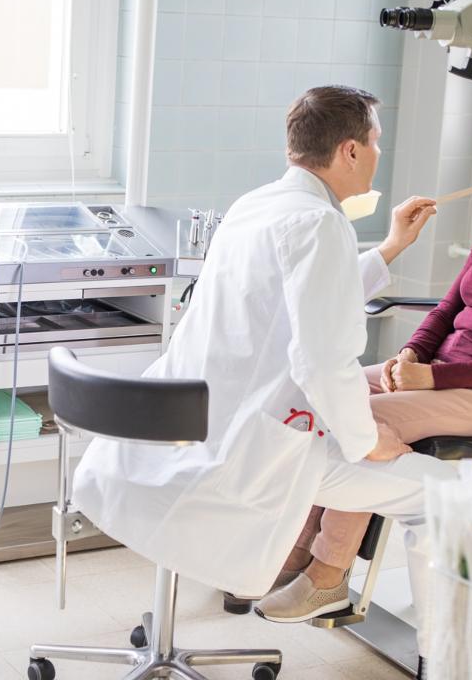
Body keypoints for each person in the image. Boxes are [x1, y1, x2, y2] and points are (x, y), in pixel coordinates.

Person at [71, 86, 450, 613]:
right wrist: (367, 440)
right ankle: (441, 649)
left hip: (188, 432)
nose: (378, 153)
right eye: (375, 141)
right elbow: (321, 361)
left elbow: (291, 303)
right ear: (350, 150)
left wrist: (388, 249)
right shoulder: (320, 223)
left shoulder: (257, 204)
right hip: (251, 449)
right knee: (441, 493)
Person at [257, 106, 472, 622]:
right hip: (444, 375)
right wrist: (411, 354)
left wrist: (432, 377)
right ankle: (295, 550)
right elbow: (448, 310)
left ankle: (328, 575)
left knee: (366, 420)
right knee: (325, 395)